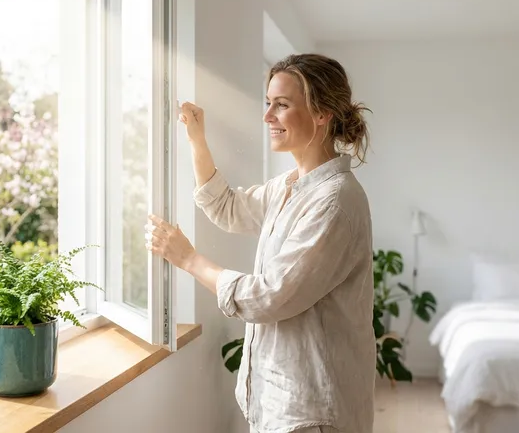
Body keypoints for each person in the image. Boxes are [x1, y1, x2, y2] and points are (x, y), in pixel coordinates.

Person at [145, 53, 375, 433]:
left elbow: (269, 297)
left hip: (314, 413)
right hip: (281, 404)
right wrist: (197, 139)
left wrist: (188, 259)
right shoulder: (289, 187)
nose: (267, 116)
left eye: (281, 105)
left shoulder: (335, 202)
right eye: (268, 103)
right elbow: (227, 207)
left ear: (323, 114)